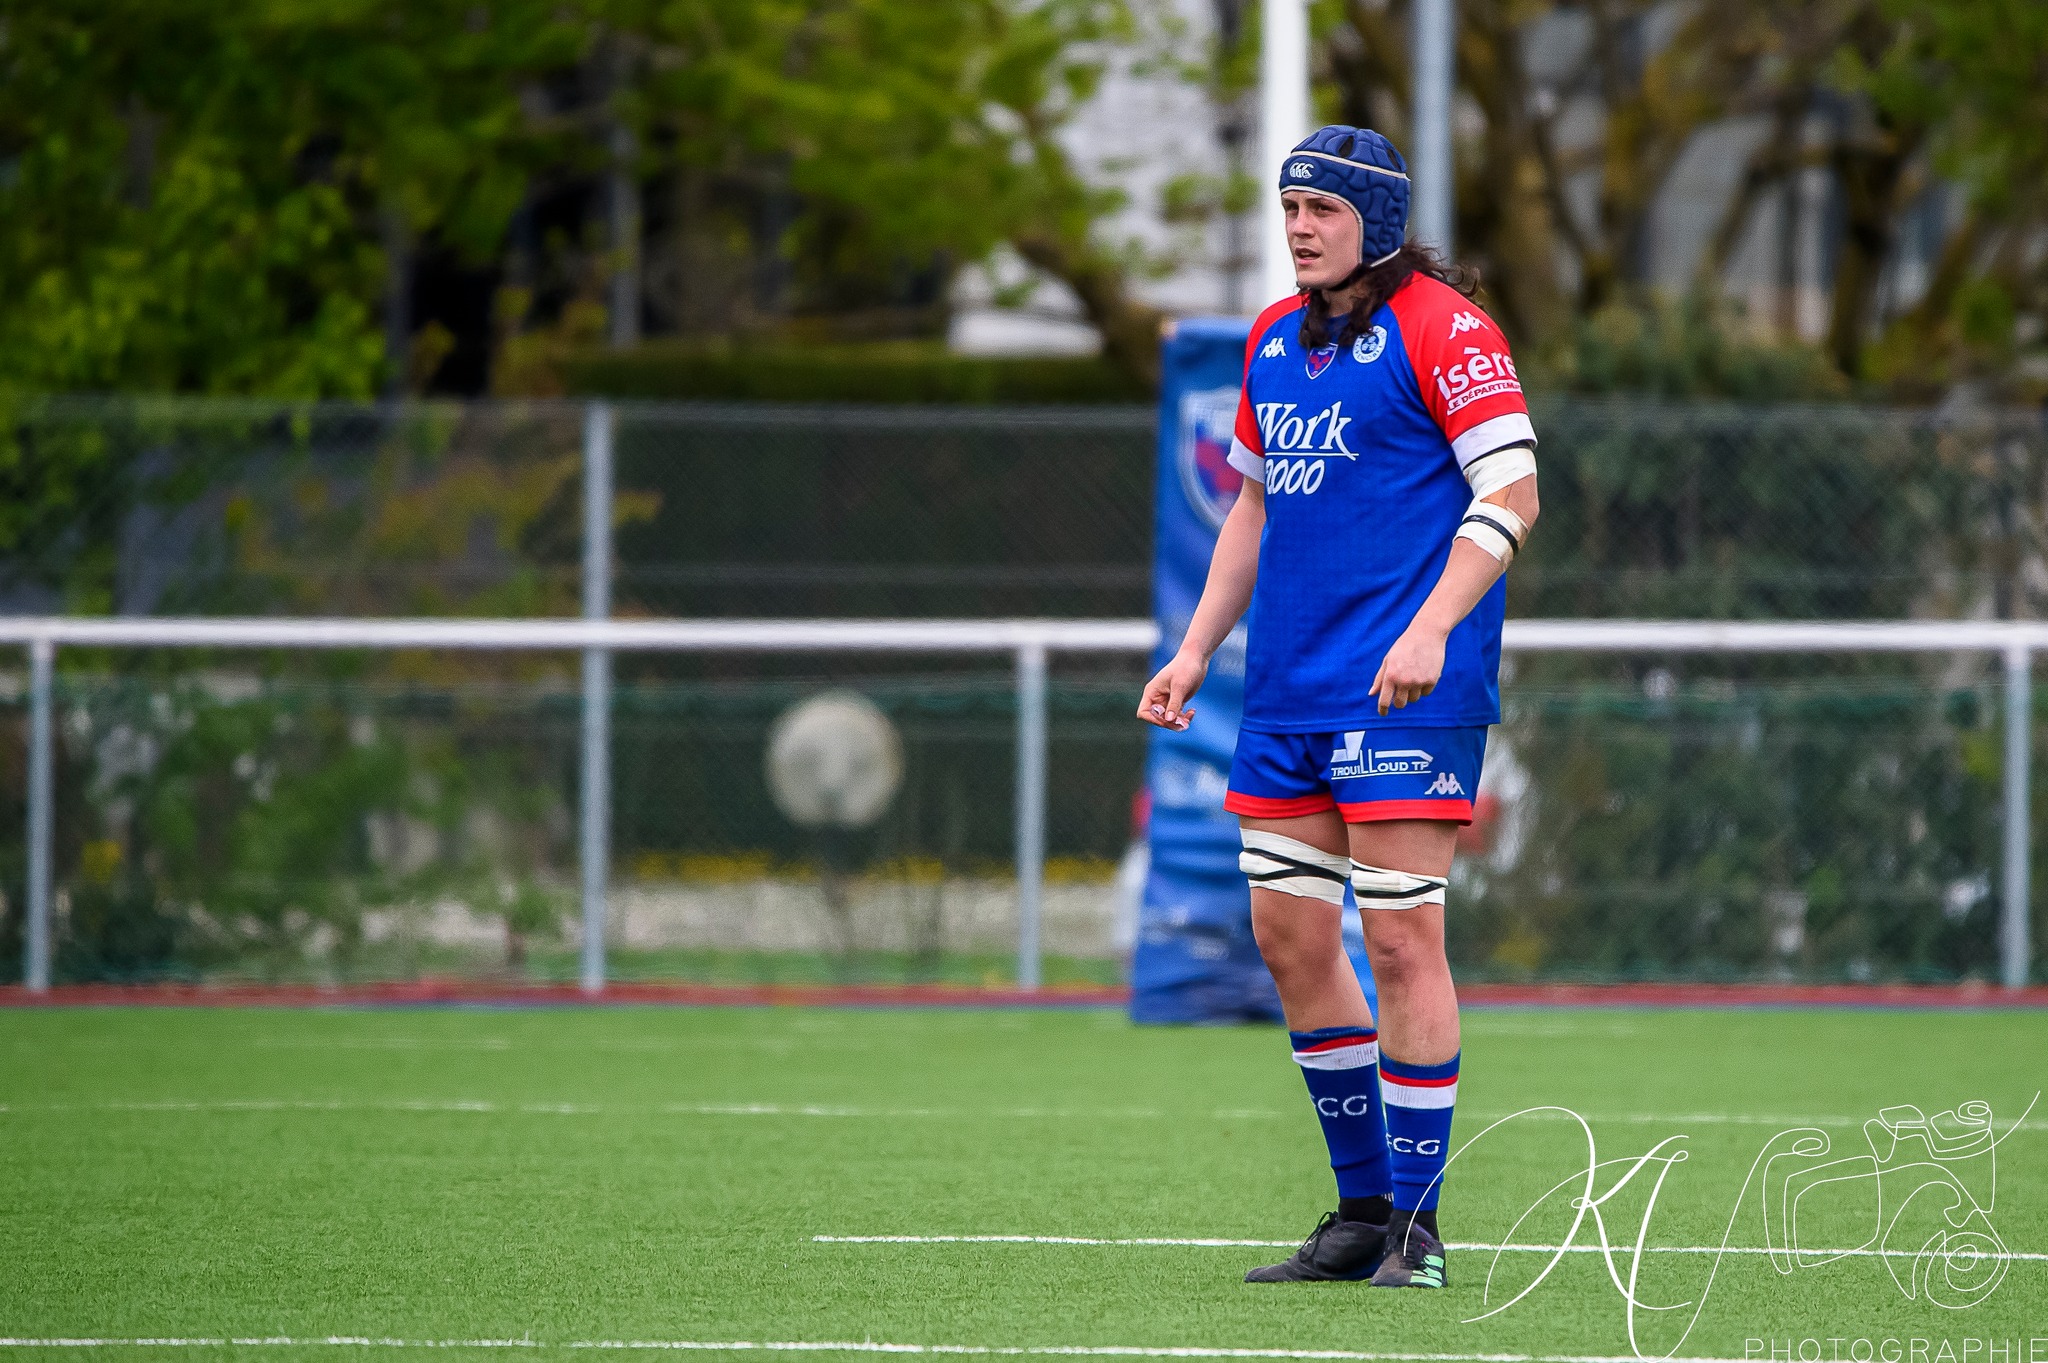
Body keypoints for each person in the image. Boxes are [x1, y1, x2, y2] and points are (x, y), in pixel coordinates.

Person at [1136, 125, 1539, 1289]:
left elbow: (1509, 492)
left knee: (1400, 935)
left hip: (1407, 693)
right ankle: (1361, 1210)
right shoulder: (1269, 340)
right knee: (1289, 939)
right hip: (1288, 692)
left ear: (1378, 217)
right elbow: (1252, 514)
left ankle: (1417, 1227)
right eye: (1289, 208)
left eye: (1320, 208)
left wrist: (1428, 626)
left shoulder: (1447, 329)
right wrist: (1194, 648)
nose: (1299, 227)